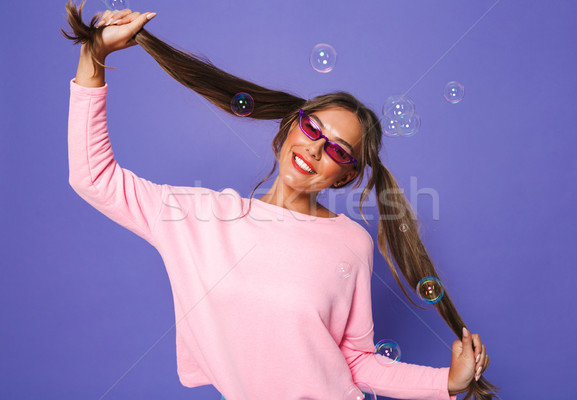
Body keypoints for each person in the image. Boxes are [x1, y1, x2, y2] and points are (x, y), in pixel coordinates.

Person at [61, 1, 497, 399]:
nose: (315, 149)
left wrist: (447, 381)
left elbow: (357, 360)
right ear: (289, 128)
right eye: (312, 129)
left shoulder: (350, 242)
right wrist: (92, 56)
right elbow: (94, 178)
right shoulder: (197, 217)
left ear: (345, 175)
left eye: (338, 150)